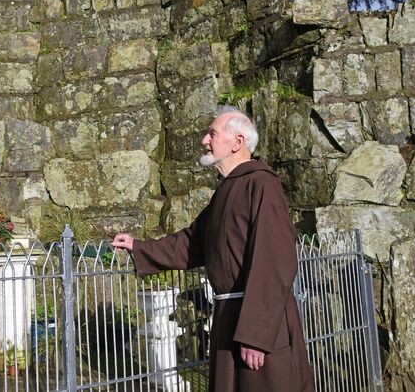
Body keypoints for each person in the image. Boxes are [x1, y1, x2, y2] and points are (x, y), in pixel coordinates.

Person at [112, 107, 314, 392]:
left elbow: (274, 262)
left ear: (237, 142)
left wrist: (256, 335)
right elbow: (193, 243)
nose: (204, 140)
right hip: (229, 318)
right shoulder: (227, 190)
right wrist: (139, 247)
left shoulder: (261, 185)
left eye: (212, 133)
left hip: (256, 323)